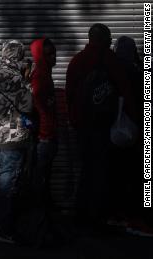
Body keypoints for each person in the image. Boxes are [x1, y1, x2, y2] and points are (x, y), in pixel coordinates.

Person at [66, 23, 133, 230]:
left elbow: (69, 94)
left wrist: (75, 120)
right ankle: (97, 218)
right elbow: (126, 91)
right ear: (104, 39)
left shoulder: (76, 61)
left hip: (83, 127)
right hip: (104, 127)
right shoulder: (110, 60)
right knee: (103, 173)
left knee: (86, 171)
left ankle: (81, 216)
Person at [0, 40, 33, 243]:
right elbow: (27, 105)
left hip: (9, 136)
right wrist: (28, 82)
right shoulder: (9, 76)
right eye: (22, 55)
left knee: (10, 182)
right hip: (10, 137)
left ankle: (3, 224)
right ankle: (4, 229)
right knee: (8, 184)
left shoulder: (6, 74)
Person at [112, 36, 153, 236]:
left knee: (122, 175)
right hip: (134, 132)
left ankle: (124, 216)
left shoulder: (111, 70)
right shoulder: (135, 73)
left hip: (117, 132)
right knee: (136, 177)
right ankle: (137, 218)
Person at [30, 38, 58, 208]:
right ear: (41, 56)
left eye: (54, 53)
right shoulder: (40, 76)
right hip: (44, 137)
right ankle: (39, 218)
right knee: (40, 178)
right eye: (49, 54)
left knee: (44, 177)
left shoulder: (45, 73)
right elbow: (38, 107)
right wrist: (45, 134)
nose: (54, 57)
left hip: (48, 135)